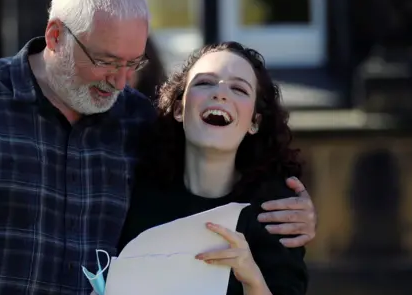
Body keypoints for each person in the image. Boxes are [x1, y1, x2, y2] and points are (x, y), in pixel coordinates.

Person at [0, 0, 316, 295]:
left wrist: (292, 207)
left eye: (133, 63)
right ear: (55, 36)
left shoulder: (137, 121)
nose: (119, 80)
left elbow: (215, 158)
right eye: (105, 61)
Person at [119, 42, 308, 294]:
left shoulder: (276, 213)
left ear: (254, 122)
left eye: (239, 88)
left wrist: (251, 277)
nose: (220, 94)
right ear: (178, 108)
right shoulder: (135, 191)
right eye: (204, 83)